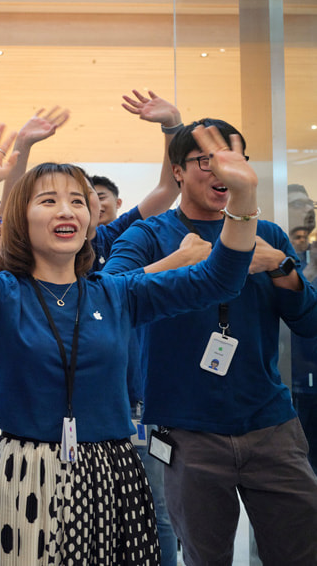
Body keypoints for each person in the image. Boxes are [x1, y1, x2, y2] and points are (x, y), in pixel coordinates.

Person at [0, 122, 259, 563]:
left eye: (78, 202)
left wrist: (243, 198)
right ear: (22, 220)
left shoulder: (116, 291)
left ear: (90, 220)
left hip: (115, 469)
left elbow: (221, 277)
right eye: (48, 201)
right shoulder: (2, 294)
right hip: (25, 473)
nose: (67, 211)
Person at [104, 119, 317, 566]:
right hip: (187, 431)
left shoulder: (271, 236)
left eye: (234, 157)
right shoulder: (148, 236)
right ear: (178, 171)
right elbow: (108, 296)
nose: (222, 169)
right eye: (207, 159)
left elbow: (309, 321)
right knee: (205, 556)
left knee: (299, 549)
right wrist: (177, 262)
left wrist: (281, 266)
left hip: (270, 424)